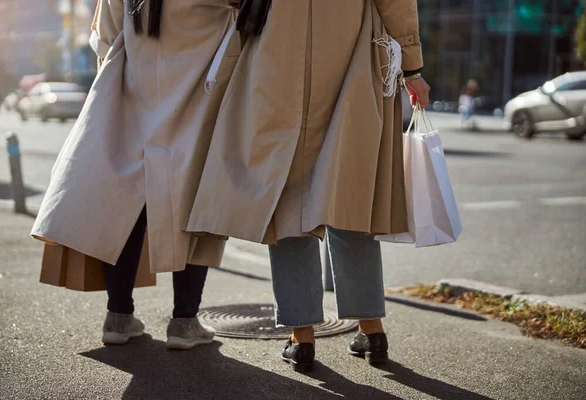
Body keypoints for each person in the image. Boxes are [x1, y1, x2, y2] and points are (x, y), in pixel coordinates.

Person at [186, 0, 430, 371]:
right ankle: (372, 330)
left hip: (275, 56)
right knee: (349, 194)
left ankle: (302, 338)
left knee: (285, 197)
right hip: (353, 58)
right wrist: (411, 66)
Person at [31, 0, 240, 349]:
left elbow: (105, 39)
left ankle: (118, 315)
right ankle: (184, 322)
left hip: (135, 98)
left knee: (127, 208)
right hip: (198, 99)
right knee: (194, 208)